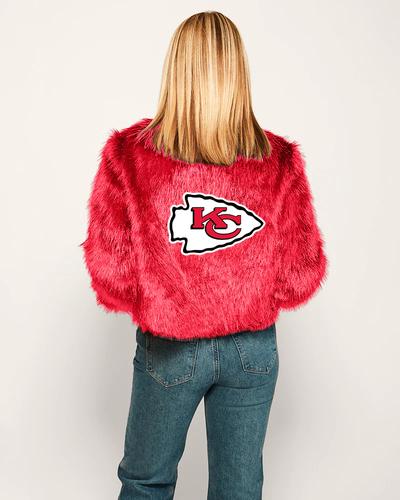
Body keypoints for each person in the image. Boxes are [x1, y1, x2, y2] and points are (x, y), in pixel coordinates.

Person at [81, 10, 327, 500]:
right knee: (239, 491)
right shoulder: (279, 161)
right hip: (252, 350)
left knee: (146, 483)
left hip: (171, 346)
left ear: (177, 71)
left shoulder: (129, 155)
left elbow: (110, 273)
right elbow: (301, 273)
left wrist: (168, 295)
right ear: (238, 73)